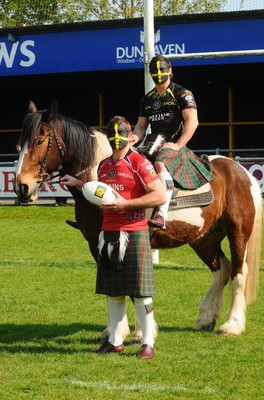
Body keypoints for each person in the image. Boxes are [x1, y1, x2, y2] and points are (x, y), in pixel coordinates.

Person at [59, 116, 166, 359]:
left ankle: (147, 343)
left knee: (141, 292)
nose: (116, 137)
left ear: (131, 136)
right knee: (113, 291)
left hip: (134, 230)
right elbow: (100, 191)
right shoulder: (104, 165)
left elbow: (159, 195)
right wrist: (77, 182)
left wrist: (125, 204)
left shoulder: (140, 162)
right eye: (112, 133)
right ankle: (115, 341)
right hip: (108, 233)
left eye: (121, 133)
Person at [132, 54, 213, 229]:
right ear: (150, 73)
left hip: (174, 144)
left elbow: (193, 121)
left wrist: (177, 145)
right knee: (129, 163)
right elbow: (140, 127)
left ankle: (161, 214)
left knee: (161, 162)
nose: (158, 73)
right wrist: (132, 140)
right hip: (152, 143)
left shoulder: (182, 93)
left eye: (162, 69)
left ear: (170, 71)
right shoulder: (147, 99)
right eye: (154, 70)